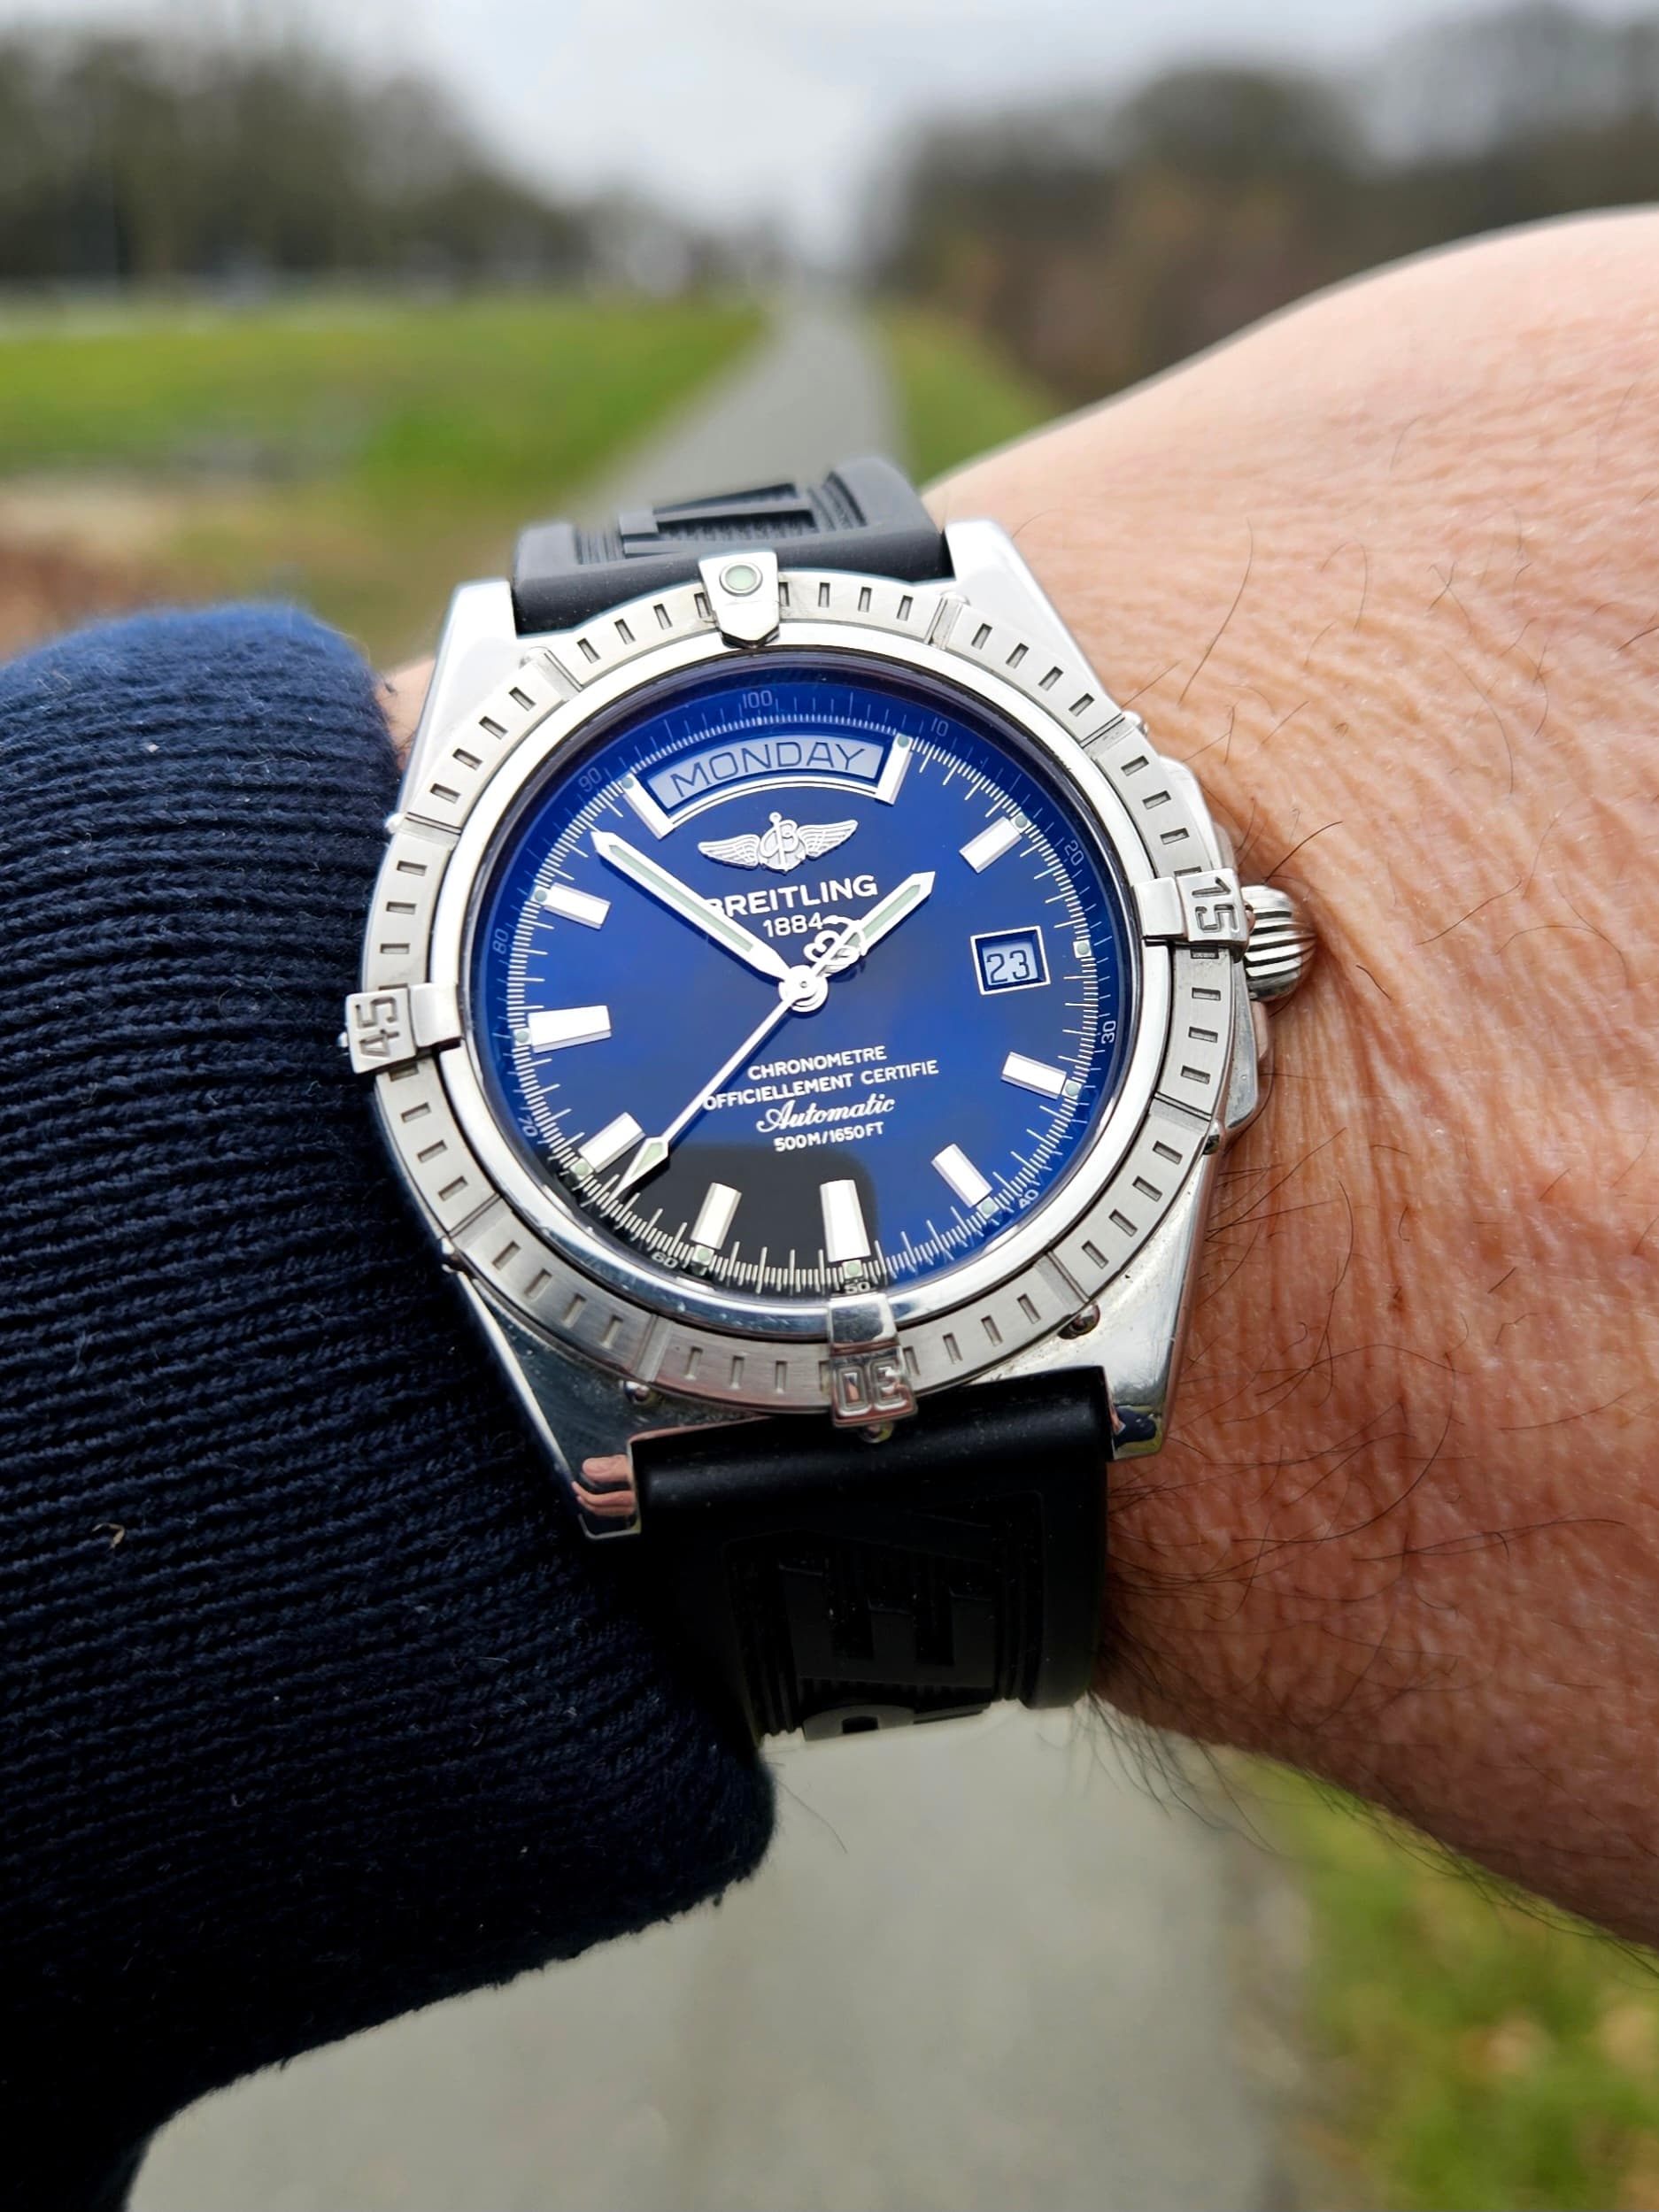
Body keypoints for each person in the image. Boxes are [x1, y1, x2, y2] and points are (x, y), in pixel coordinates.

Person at [4, 210, 1656, 2208]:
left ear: (1225, 946)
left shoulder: (1137, 946)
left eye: (826, 955)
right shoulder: (528, 1155)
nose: (803, 982)